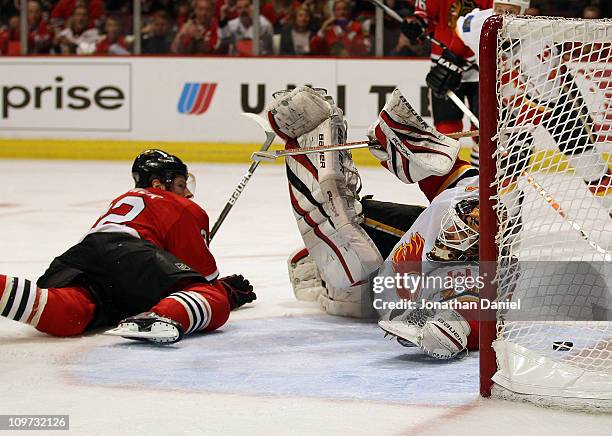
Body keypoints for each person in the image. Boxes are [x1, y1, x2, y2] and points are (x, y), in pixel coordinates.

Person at [267, 86, 482, 360]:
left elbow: (474, 315)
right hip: (408, 271)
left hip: (386, 286)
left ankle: (349, 276)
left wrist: (457, 327)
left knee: (470, 210)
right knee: (474, 197)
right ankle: (415, 154)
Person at [0, 150, 256, 344]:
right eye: (181, 184)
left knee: (71, 313)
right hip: (132, 255)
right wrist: (225, 291)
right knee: (215, 299)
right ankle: (161, 317)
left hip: (81, 257)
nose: (188, 193)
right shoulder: (183, 207)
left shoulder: (123, 199)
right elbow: (205, 281)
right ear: (158, 184)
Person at [445, 0, 612, 214]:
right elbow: (459, 30)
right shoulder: (477, 22)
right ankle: (505, 231)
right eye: (499, 9)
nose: (502, 16)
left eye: (510, 12)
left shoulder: (539, 46)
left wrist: (516, 141)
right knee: (502, 181)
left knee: (590, 165)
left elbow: (543, 103)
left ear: (523, 13)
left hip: (556, 106)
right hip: (508, 106)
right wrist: (450, 61)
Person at [401, 0, 492, 167]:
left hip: (482, 65)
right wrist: (415, 26)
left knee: (485, 132)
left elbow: (498, 18)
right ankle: (455, 180)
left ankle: (482, 182)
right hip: (444, 63)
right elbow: (424, 18)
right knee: (447, 129)